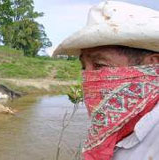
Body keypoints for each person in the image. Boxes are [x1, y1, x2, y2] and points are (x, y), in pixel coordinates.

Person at [53, 1, 159, 160]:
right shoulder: (113, 128)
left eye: (100, 65)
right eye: (83, 67)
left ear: (152, 65)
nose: (88, 80)